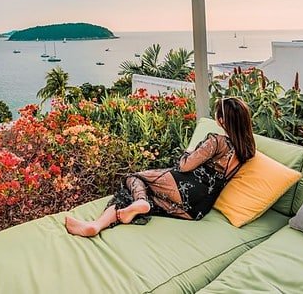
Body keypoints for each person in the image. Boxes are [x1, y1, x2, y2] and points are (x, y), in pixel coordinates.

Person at [65, 97, 256, 237]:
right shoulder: (246, 151)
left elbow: (184, 166)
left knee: (134, 178)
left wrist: (190, 151)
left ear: (222, 121)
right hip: (197, 208)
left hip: (186, 185)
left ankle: (132, 206)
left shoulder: (217, 141)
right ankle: (99, 225)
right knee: (135, 198)